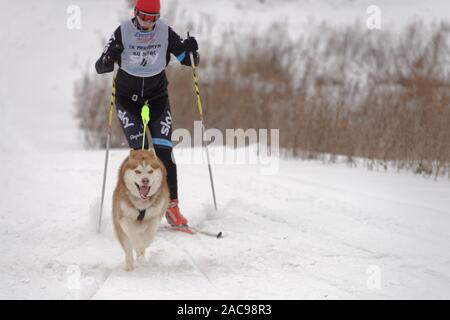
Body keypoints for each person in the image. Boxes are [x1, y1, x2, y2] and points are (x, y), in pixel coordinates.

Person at [95, 0, 199, 228]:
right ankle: (139, 209)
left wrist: (191, 49)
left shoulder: (164, 32)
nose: (148, 23)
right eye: (144, 17)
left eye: (153, 18)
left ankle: (172, 207)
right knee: (141, 156)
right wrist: (110, 55)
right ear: (136, 13)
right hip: (127, 99)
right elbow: (101, 67)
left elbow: (190, 62)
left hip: (157, 98)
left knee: (164, 151)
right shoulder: (123, 31)